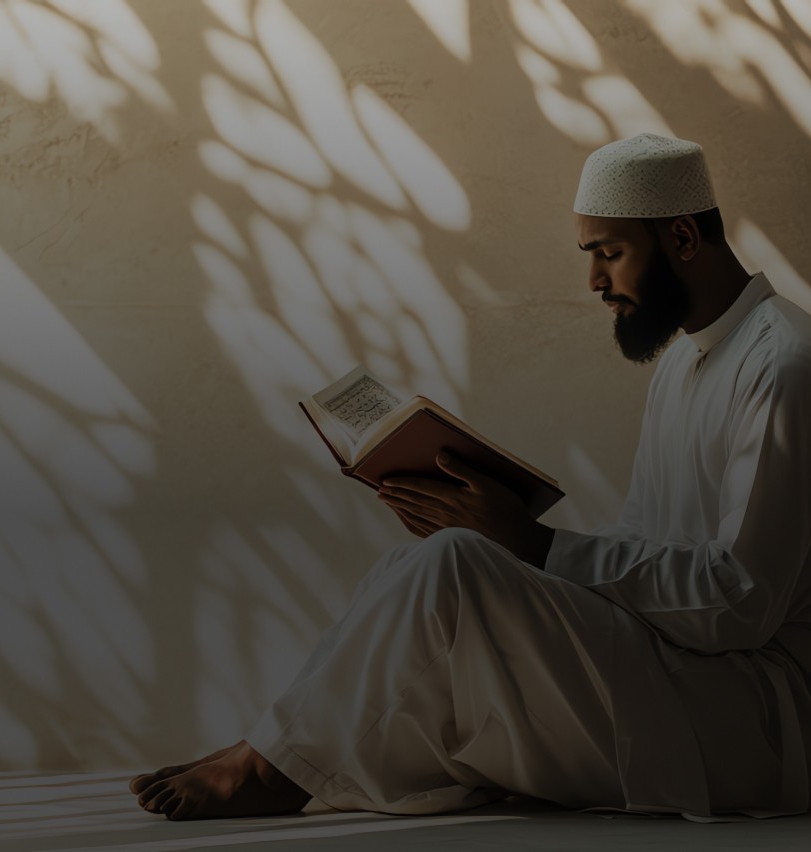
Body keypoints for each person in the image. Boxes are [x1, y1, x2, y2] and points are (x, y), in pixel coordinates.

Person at [129, 133, 811, 821]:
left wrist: (537, 547)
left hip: (755, 718)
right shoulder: (680, 365)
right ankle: (277, 751)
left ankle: (273, 769)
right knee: (426, 559)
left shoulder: (783, 364)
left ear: (684, 238)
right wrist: (504, 534)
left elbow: (740, 603)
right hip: (684, 672)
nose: (596, 283)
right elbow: (643, 537)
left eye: (609, 253)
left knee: (457, 564)